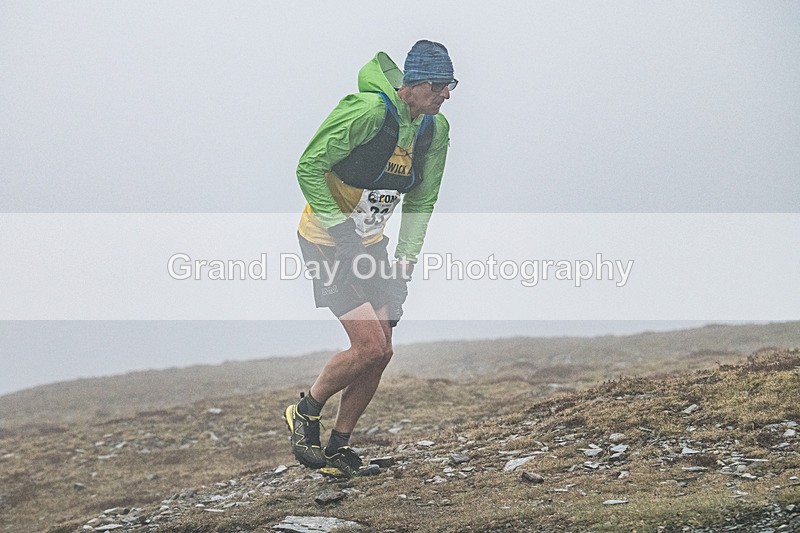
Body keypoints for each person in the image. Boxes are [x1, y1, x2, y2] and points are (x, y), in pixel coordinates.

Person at [283, 40, 456, 477]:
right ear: (412, 85)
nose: (446, 95)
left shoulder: (434, 130)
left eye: (451, 85)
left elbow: (423, 200)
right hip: (326, 239)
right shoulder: (367, 112)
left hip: (372, 244)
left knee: (383, 352)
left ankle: (339, 447)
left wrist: (405, 264)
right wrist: (340, 233)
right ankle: (305, 410)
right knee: (369, 345)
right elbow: (308, 165)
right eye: (439, 85)